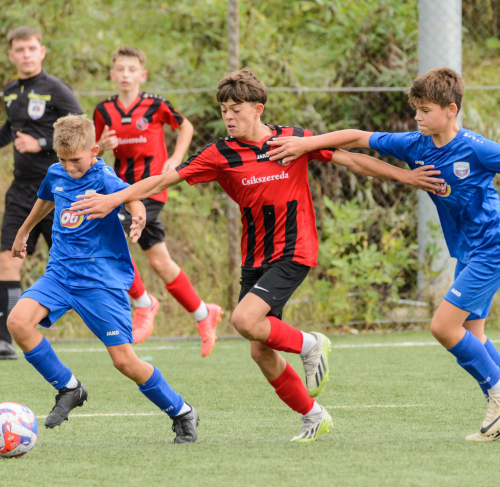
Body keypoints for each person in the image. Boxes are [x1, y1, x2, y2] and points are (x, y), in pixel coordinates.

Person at [71, 70, 441, 442]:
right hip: (256, 256)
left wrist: (407, 177)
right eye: (223, 110)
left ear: (258, 109)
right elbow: (164, 180)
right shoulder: (220, 153)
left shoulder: (293, 140)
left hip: (295, 249)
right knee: (261, 352)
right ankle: (313, 415)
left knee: (245, 320)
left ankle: (311, 344)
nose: (228, 116)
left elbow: (353, 160)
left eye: (236, 109)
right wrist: (115, 198)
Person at [267, 67, 500, 443]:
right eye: (415, 110)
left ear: (451, 109)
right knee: (473, 332)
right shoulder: (415, 144)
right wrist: (306, 145)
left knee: (443, 327)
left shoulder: (477, 148)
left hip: (494, 245)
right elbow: (359, 138)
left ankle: (496, 394)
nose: (417, 117)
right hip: (470, 250)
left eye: (424, 110)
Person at [6, 115, 198, 443]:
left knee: (124, 361)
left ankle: (181, 411)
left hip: (100, 281)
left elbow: (132, 197)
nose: (69, 167)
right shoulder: (56, 173)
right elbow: (45, 200)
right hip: (61, 275)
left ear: (94, 150)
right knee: (18, 323)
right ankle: (69, 388)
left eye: (76, 160)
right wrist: (23, 231)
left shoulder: (104, 177)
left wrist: (138, 217)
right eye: (63, 160)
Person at [94, 46, 222, 351]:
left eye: (131, 69)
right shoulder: (104, 111)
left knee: (105, 237)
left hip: (151, 188)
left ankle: (144, 303)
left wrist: (176, 158)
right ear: (112, 74)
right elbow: (93, 153)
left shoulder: (155, 104)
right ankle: (205, 313)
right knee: (161, 262)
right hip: (121, 189)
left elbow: (186, 126)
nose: (126, 75)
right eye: (120, 69)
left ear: (142, 74)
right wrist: (101, 143)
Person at [0, 26, 84, 359]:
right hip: (21, 189)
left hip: (58, 188)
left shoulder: (56, 89)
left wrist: (42, 143)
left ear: (42, 51)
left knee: (73, 263)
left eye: (31, 48)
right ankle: (6, 338)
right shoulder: (9, 91)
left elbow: (82, 128)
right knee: (7, 258)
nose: (26, 55)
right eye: (19, 50)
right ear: (11, 55)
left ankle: (116, 319)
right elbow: (11, 129)